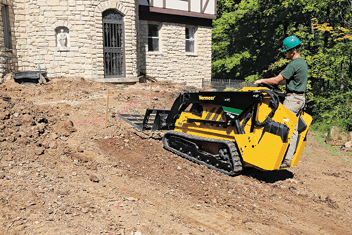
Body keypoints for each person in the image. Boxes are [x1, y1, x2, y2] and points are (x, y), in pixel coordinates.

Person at [254, 36, 308, 168]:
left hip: (292, 99)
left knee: (279, 126)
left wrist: (261, 81)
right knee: (293, 129)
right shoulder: (302, 63)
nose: (286, 54)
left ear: (293, 51)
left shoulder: (294, 64)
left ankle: (271, 156)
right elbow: (286, 80)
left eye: (287, 51)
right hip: (300, 99)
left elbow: (277, 80)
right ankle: (288, 158)